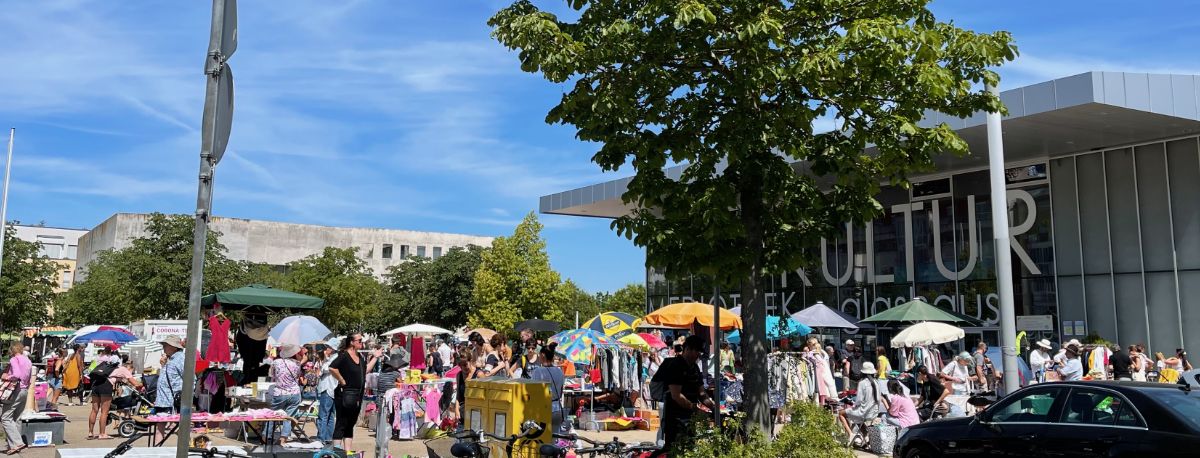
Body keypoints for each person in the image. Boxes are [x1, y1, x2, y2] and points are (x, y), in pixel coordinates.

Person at [653, 335, 714, 457]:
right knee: (674, 449)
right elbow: (676, 395)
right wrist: (695, 409)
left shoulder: (694, 367)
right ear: (688, 349)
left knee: (689, 448)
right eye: (697, 351)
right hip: (675, 418)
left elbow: (702, 393)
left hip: (689, 418)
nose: (698, 355)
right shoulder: (676, 365)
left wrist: (714, 408)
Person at [329, 333, 379, 452]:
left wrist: (375, 357)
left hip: (357, 394)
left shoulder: (360, 356)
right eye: (360, 340)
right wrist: (342, 380)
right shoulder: (344, 356)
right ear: (352, 342)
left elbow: (365, 370)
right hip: (345, 393)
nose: (362, 343)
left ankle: (348, 451)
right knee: (342, 421)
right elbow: (332, 368)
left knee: (351, 423)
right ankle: (336, 451)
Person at [268, 344, 306, 446]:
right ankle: (283, 439)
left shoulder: (276, 362)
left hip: (279, 392)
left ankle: (266, 436)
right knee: (289, 417)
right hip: (294, 393)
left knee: (272, 416)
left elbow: (271, 375)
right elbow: (298, 376)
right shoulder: (297, 364)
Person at [837, 362, 883, 441]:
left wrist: (853, 404)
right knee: (857, 418)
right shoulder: (876, 383)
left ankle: (850, 434)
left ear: (863, 372)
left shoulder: (862, 383)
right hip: (874, 413)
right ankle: (866, 436)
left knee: (841, 413)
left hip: (864, 413)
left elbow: (859, 400)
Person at [528, 343, 566, 434]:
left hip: (543, 409)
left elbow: (533, 392)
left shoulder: (538, 371)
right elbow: (560, 392)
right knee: (555, 440)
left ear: (543, 355)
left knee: (542, 441)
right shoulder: (559, 371)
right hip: (557, 409)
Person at [1, 343, 32, 454]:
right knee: (17, 418)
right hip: (25, 390)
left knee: (5, 417)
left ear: (12, 350)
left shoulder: (14, 359)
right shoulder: (28, 360)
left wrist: (6, 376)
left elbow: (17, 375)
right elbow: (29, 378)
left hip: (15, 391)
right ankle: (14, 445)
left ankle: (17, 442)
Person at [87, 347, 120, 440]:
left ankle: (90, 432)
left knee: (94, 410)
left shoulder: (98, 358)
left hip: (95, 384)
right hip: (105, 385)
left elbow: (90, 370)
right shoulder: (113, 360)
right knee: (104, 412)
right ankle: (102, 434)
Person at [315, 340, 338, 444]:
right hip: (332, 389)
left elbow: (324, 369)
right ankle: (328, 437)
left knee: (323, 415)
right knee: (330, 415)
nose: (325, 349)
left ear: (332, 348)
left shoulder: (334, 358)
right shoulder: (335, 357)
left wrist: (323, 359)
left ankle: (321, 438)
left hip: (328, 388)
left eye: (327, 347)